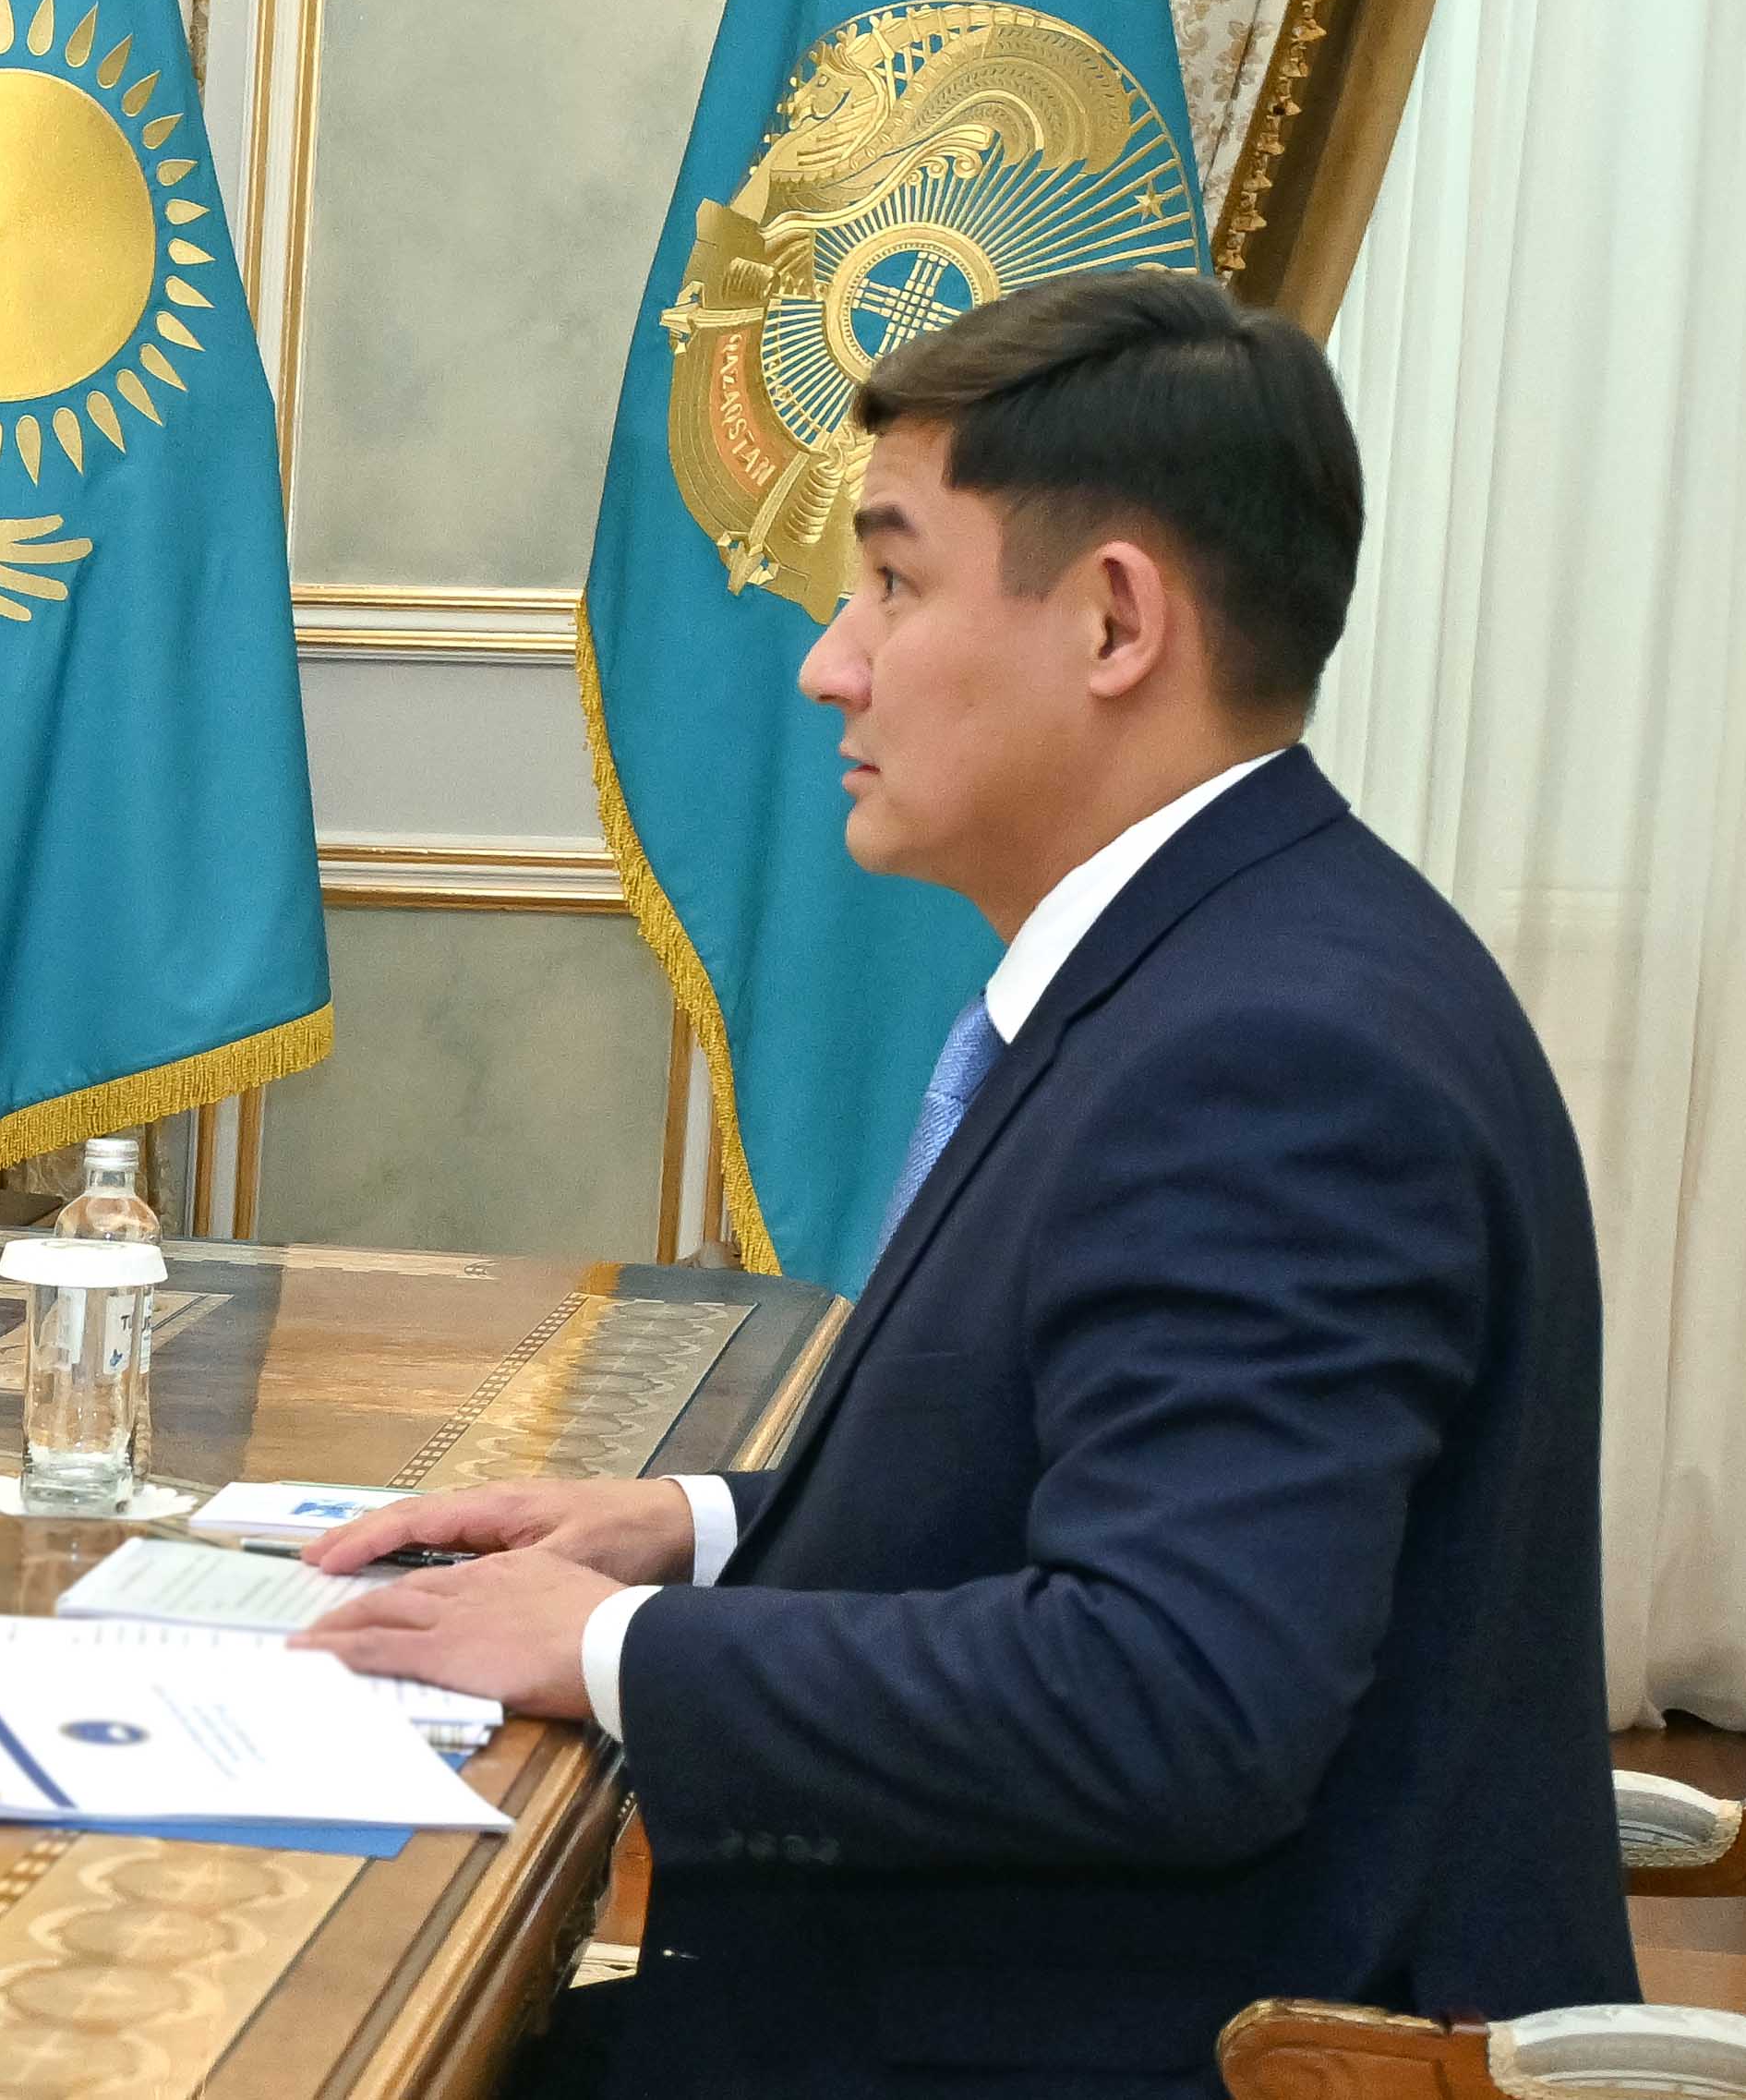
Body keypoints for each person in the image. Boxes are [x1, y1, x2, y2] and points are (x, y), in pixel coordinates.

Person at [291, 271, 1632, 2094]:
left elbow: (1175, 1689)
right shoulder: (1237, 960)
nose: (827, 660)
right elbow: (1076, 1486)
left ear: (1111, 620)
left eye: (892, 581)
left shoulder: (1271, 1056)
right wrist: (696, 1529)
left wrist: (608, 1643)